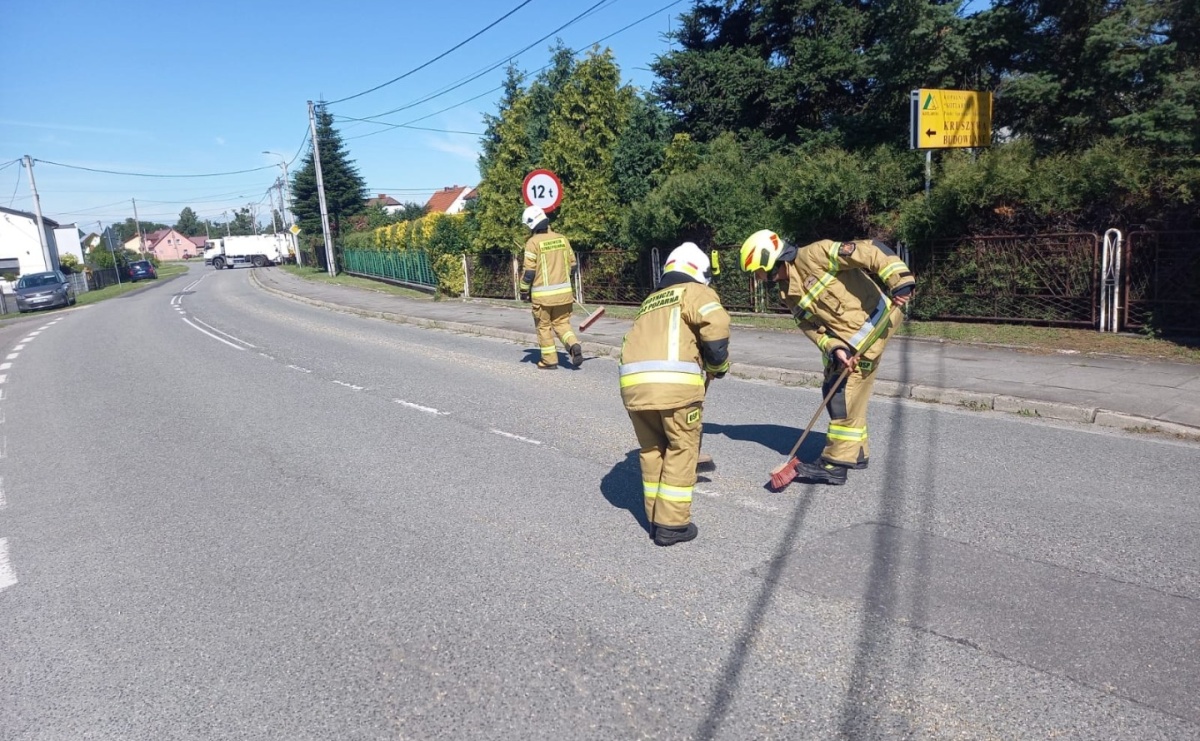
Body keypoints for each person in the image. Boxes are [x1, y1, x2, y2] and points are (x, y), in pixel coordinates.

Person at [739, 230, 915, 485]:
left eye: (759, 270)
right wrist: (833, 347)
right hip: (848, 344)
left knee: (842, 394)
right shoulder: (787, 291)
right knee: (837, 390)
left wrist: (900, 280)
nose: (759, 278)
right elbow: (808, 324)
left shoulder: (818, 253)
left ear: (772, 260)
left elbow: (871, 249)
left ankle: (835, 464)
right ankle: (856, 452)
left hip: (877, 327)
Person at [620, 242, 731, 546]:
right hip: (675, 390)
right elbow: (717, 325)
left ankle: (655, 519)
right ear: (698, 271)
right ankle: (672, 526)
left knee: (653, 450)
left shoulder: (650, 301)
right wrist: (718, 364)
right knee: (683, 449)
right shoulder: (696, 292)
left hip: (634, 390)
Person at [519, 205, 583, 369]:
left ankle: (549, 361)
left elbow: (529, 273)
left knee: (544, 327)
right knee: (562, 324)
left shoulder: (532, 243)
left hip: (543, 299)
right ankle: (573, 344)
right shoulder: (562, 239)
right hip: (564, 295)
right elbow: (573, 265)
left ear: (532, 224)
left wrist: (523, 290)